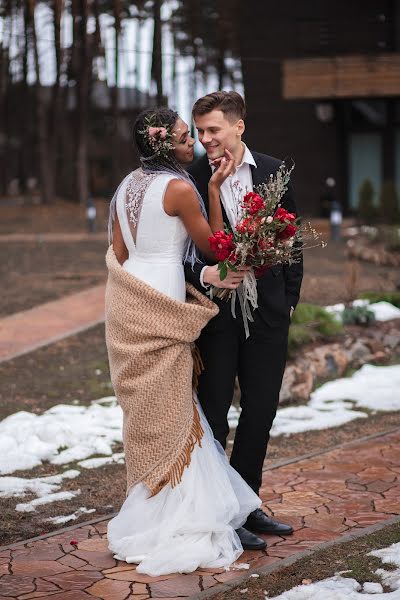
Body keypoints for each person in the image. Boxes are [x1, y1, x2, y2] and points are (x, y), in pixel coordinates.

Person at [105, 107, 261, 577]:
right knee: (174, 408)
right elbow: (215, 248)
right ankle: (175, 516)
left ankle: (151, 503)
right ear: (165, 146)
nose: (192, 141)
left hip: (130, 298)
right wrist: (212, 190)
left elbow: (119, 251)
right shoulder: (179, 187)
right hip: (163, 300)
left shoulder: (123, 187)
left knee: (151, 411)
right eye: (182, 137)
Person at [185, 91, 303, 549]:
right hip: (216, 315)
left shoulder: (274, 171)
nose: (205, 140)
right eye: (199, 132)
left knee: (262, 410)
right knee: (215, 413)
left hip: (270, 312)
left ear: (239, 127)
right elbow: (196, 250)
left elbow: (291, 235)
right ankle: (221, 513)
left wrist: (289, 298)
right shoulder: (192, 178)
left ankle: (247, 503)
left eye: (213, 130)